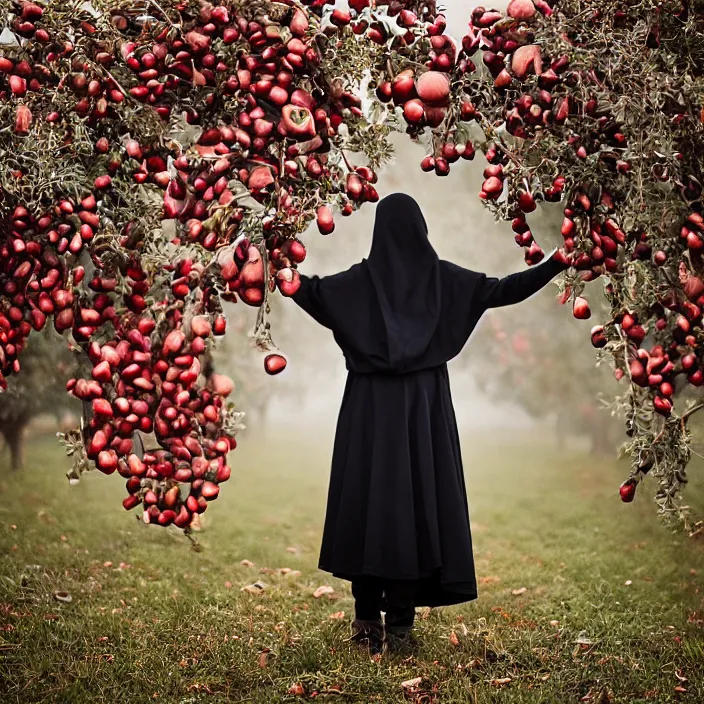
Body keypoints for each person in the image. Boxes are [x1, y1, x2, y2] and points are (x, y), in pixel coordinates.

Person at [291, 193, 570, 654]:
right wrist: (557, 262)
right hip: (422, 409)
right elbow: (505, 289)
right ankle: (400, 625)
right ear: (421, 230)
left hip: (368, 411)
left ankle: (366, 620)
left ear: (379, 232)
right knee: (414, 501)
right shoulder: (443, 282)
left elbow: (313, 294)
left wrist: (280, 272)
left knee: (369, 502)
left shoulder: (358, 285)